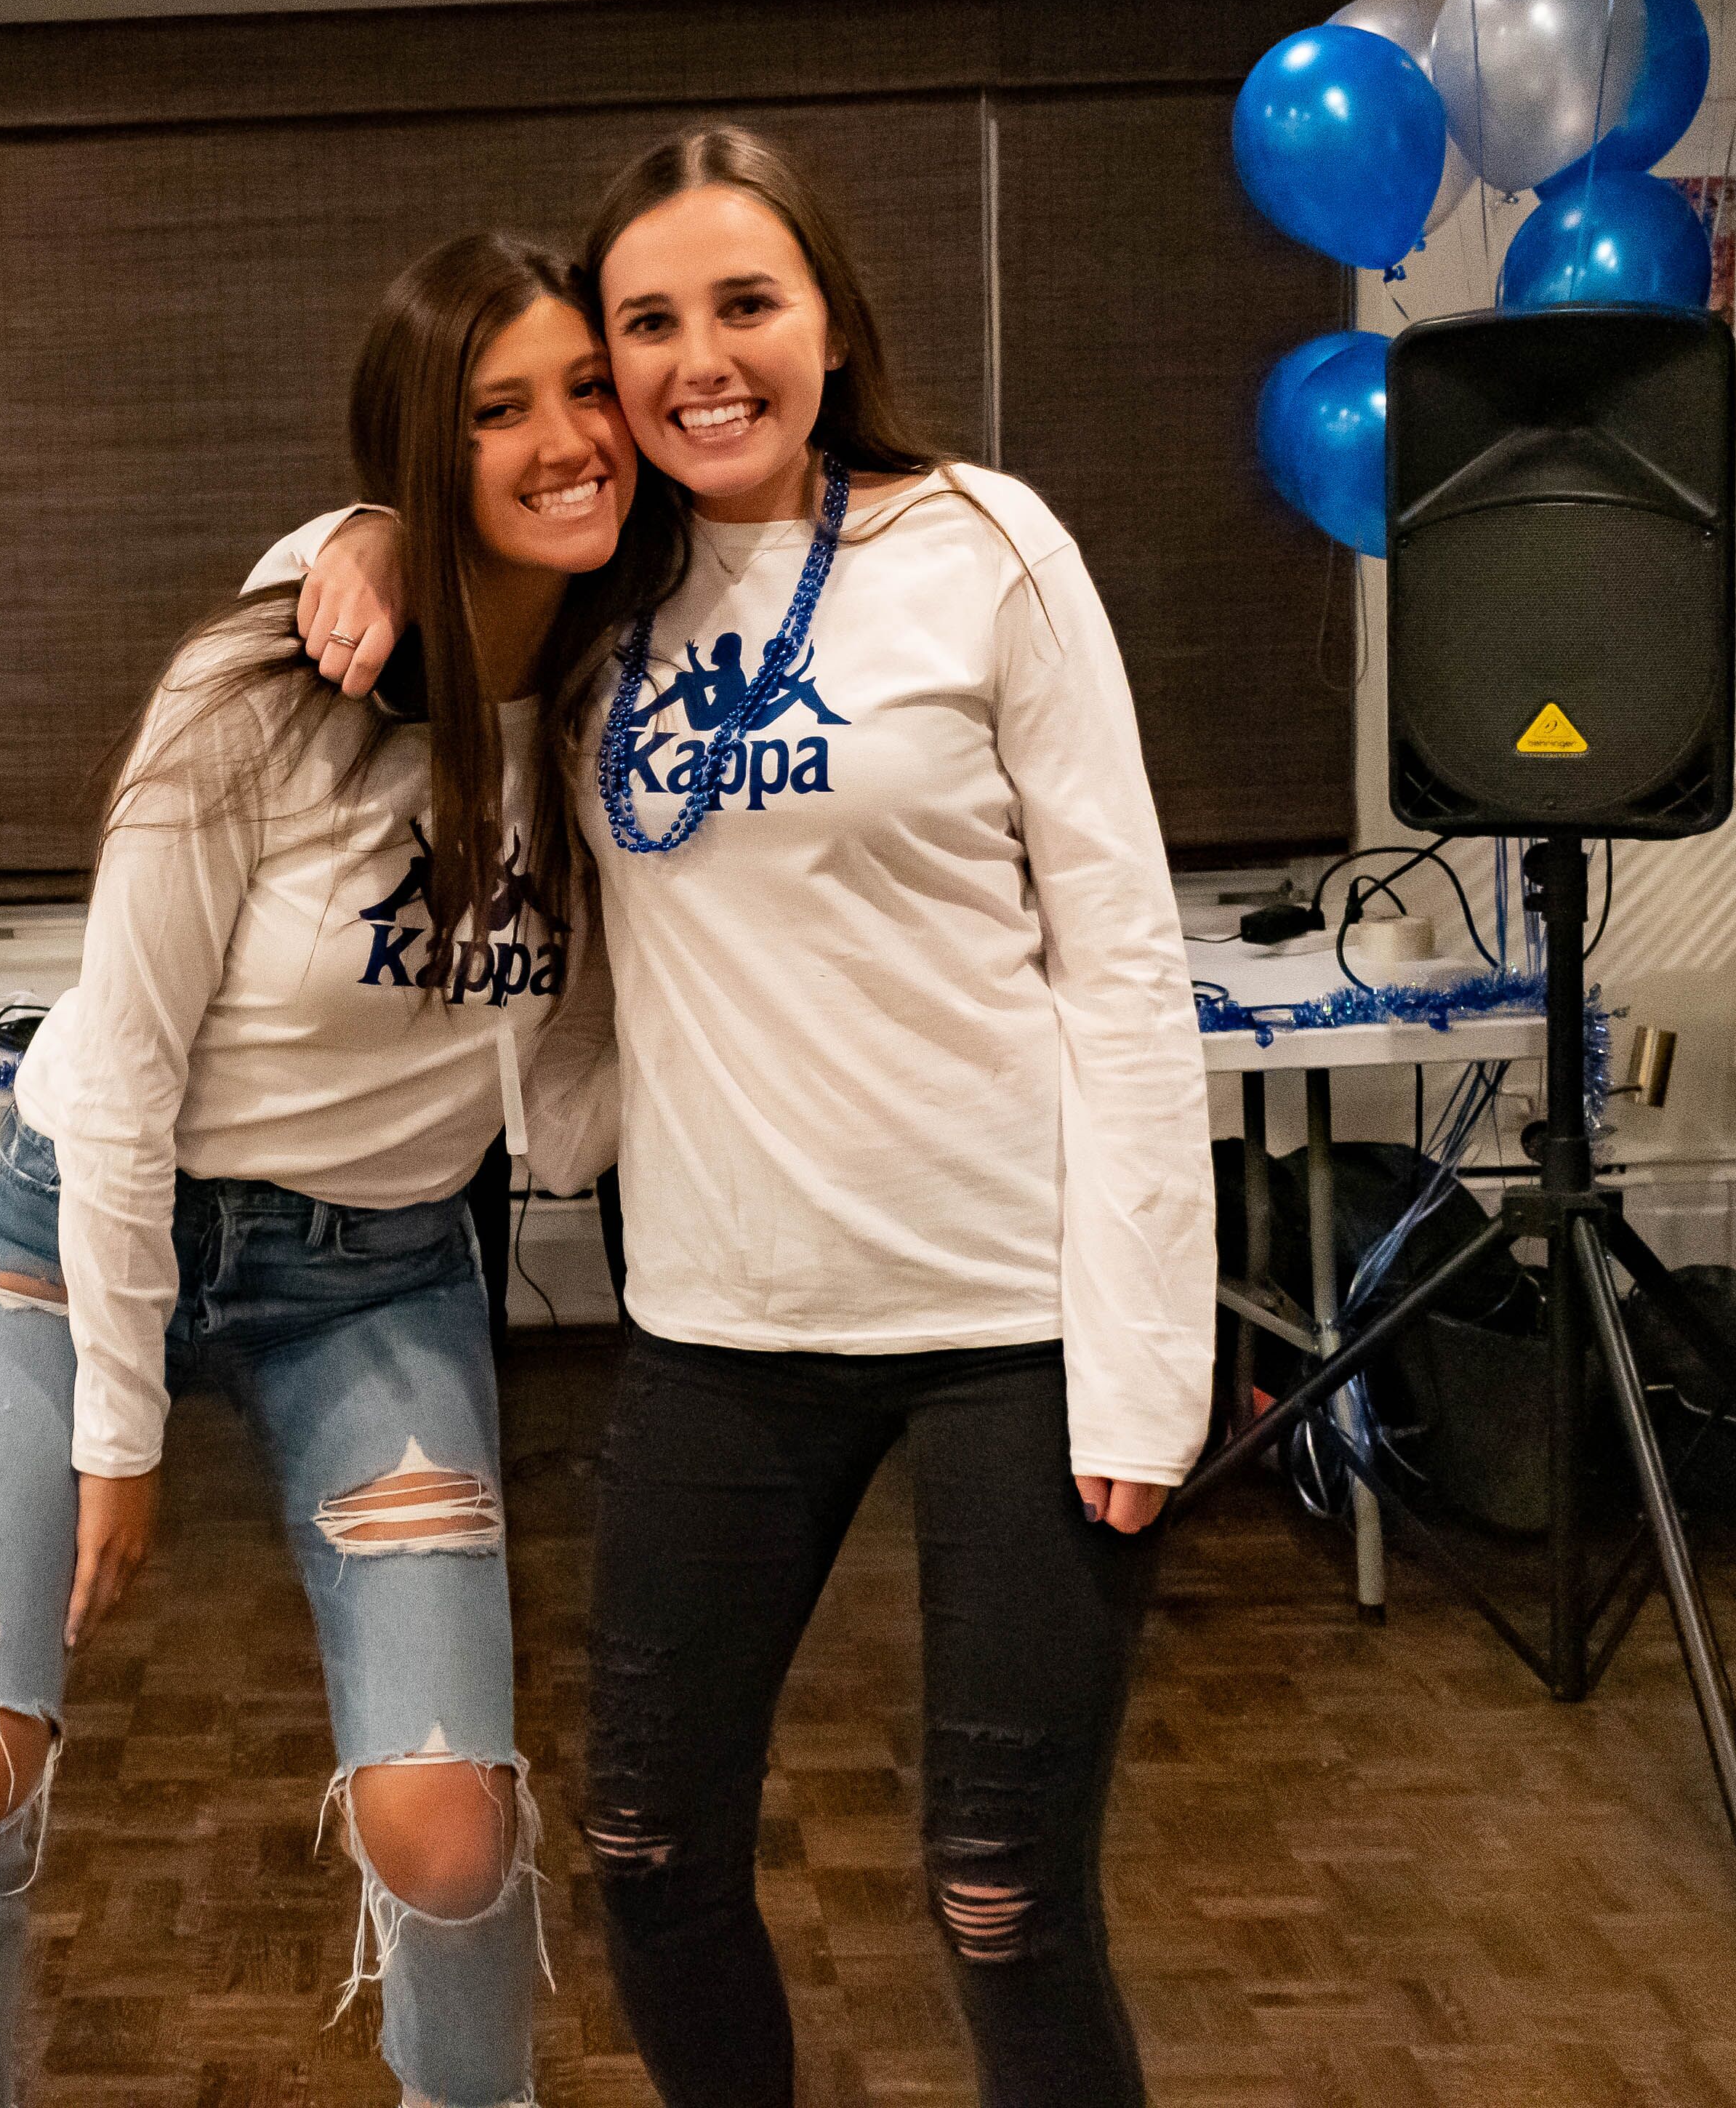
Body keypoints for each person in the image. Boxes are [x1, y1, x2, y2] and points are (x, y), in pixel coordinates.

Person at [278, 126, 1215, 2108]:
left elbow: (1125, 964)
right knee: (648, 1854)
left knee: (997, 1896)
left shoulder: (978, 544)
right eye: (646, 322)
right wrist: (369, 529)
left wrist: (1150, 1365)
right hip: (719, 1324)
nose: (699, 359)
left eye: (744, 304)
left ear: (828, 321)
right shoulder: (592, 589)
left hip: (1013, 1330)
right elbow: (413, 556)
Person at [0, 231, 648, 2108]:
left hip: (372, 1273)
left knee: (446, 1826)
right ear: (414, 463)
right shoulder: (254, 693)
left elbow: (594, 1093)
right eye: (495, 410)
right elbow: (113, 1085)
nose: (561, 439)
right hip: (70, 1232)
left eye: (582, 390)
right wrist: (120, 1431)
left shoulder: (626, 725)